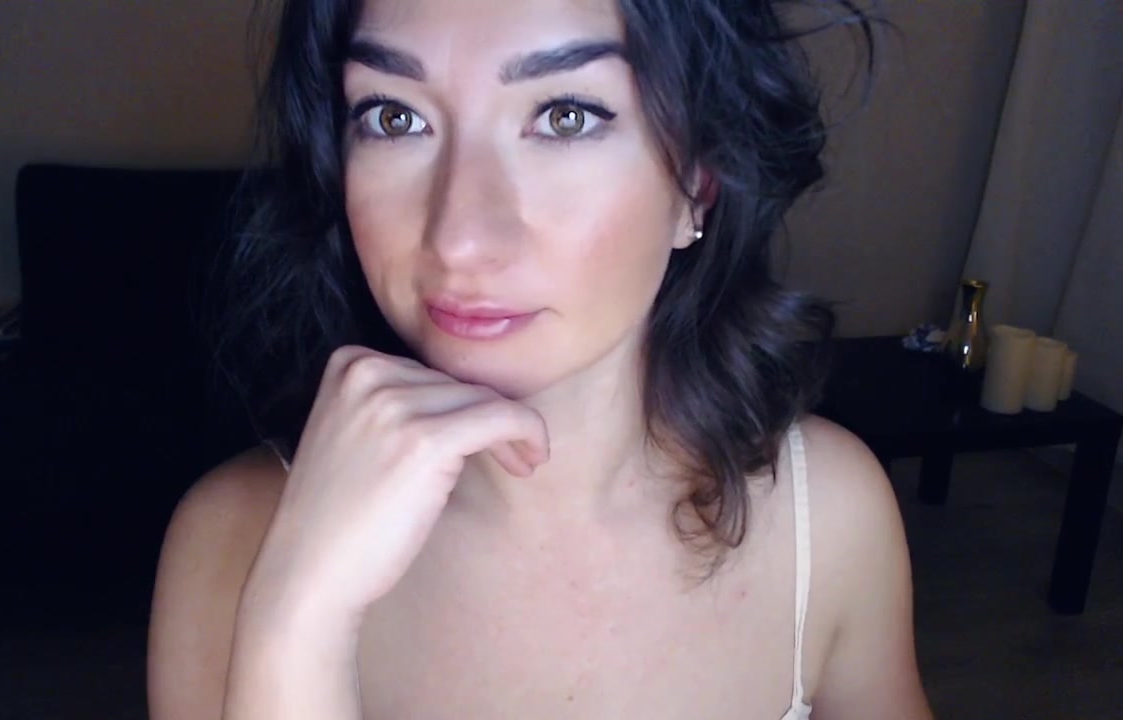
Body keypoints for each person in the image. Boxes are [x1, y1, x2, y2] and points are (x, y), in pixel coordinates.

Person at [147, 0, 933, 717]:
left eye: (565, 116)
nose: (459, 238)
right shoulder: (234, 541)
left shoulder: (829, 517)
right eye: (394, 117)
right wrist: (297, 622)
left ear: (698, 181)